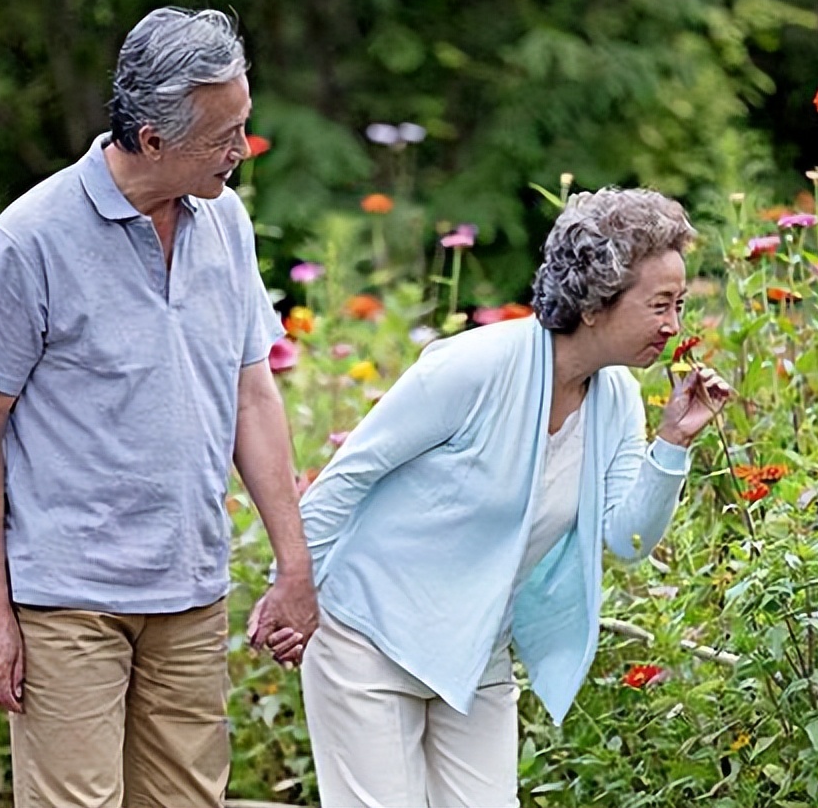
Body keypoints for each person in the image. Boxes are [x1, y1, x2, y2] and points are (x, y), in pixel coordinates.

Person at [0, 7, 318, 808]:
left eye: (243, 126)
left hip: (189, 590)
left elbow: (253, 393)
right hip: (65, 599)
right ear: (151, 138)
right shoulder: (31, 237)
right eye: (223, 136)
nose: (240, 153)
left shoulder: (228, 222)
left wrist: (294, 563)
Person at [264, 187, 733, 807]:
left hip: (475, 652)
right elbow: (348, 475)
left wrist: (672, 441)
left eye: (678, 305)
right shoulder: (473, 366)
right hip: (368, 639)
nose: (674, 326)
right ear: (595, 302)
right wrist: (290, 586)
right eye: (660, 305)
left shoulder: (616, 398)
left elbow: (628, 538)